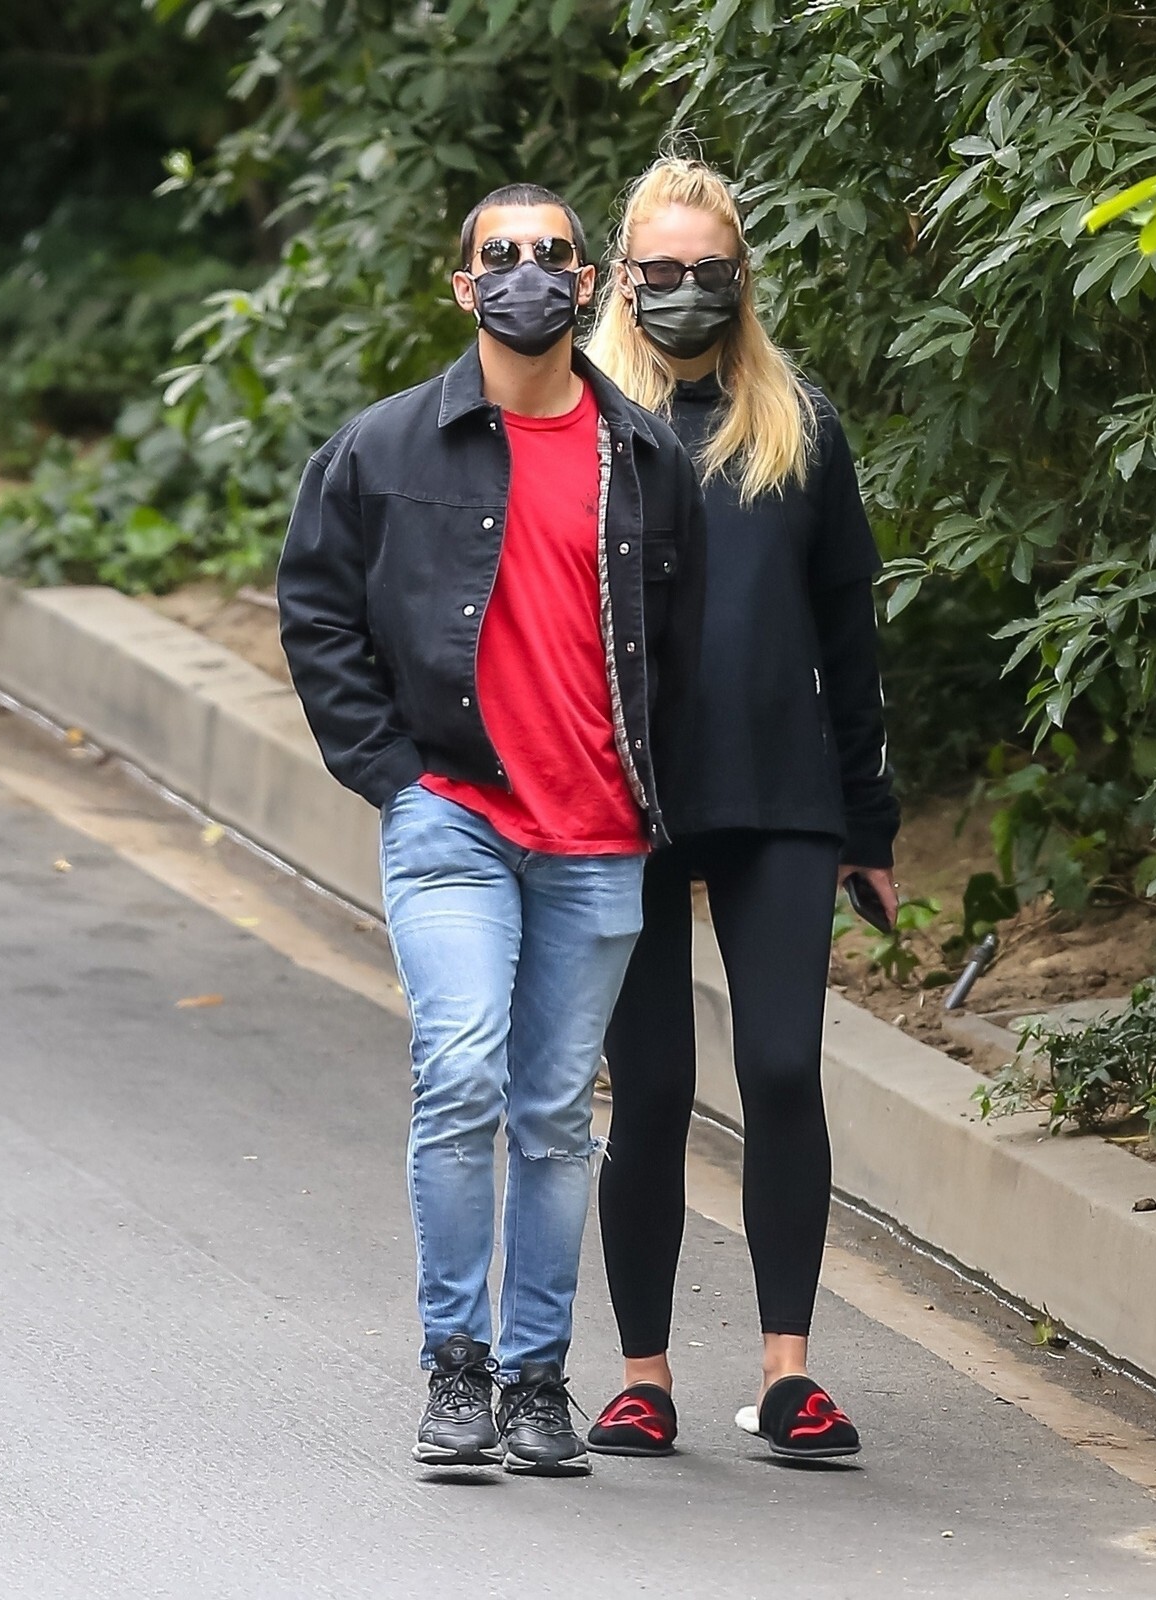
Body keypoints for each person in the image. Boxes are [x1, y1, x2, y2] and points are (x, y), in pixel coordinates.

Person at [277, 182, 706, 1477]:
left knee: (557, 1112)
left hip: (597, 837)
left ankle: (534, 1382)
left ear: (587, 284)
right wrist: (393, 775)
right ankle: (455, 1366)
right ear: (465, 287)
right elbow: (316, 608)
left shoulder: (645, 459)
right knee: (461, 1073)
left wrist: (658, 797)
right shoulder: (384, 447)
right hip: (453, 817)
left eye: (552, 255)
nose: (528, 272)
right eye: (501, 255)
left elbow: (677, 654)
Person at [579, 157, 898, 1462]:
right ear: (621, 279)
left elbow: (849, 635)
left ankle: (787, 1374)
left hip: (779, 790)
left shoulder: (797, 426)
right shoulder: (583, 427)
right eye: (661, 271)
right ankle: (641, 1375)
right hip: (628, 801)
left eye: (709, 270)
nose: (685, 291)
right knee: (652, 1087)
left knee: (780, 1068)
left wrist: (870, 824)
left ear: (743, 279)